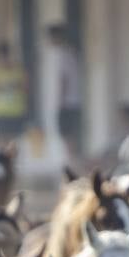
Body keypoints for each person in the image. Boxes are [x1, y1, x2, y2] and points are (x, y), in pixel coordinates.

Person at [47, 24, 82, 161]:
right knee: (68, 135)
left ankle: (71, 161)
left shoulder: (62, 54)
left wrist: (61, 100)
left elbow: (64, 79)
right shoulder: (69, 53)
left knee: (68, 136)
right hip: (71, 101)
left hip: (67, 102)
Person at [0, 41, 28, 140]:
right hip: (2, 111)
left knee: (15, 141)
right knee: (2, 140)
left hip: (16, 111)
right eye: (1, 58)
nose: (4, 60)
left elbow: (26, 89)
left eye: (5, 57)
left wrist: (13, 86)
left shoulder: (19, 70)